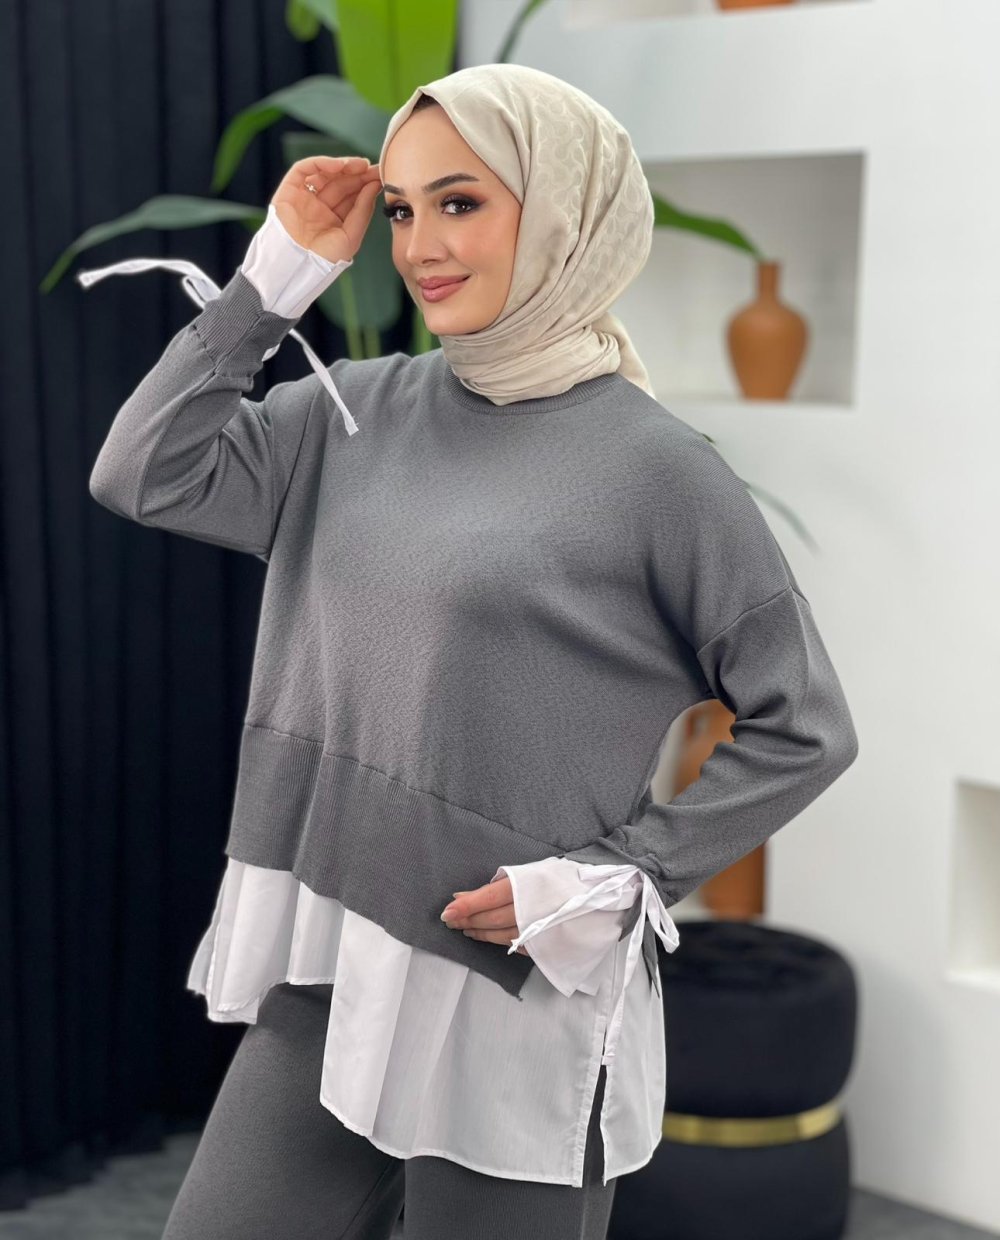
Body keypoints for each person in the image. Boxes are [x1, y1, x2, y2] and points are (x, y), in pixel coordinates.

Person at [83, 63, 858, 1240]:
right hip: (328, 960)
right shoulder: (352, 412)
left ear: (562, 213)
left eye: (460, 202)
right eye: (401, 210)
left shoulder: (658, 472)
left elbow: (806, 725)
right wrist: (272, 282)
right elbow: (141, 470)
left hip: (510, 985)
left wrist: (624, 872)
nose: (419, 246)